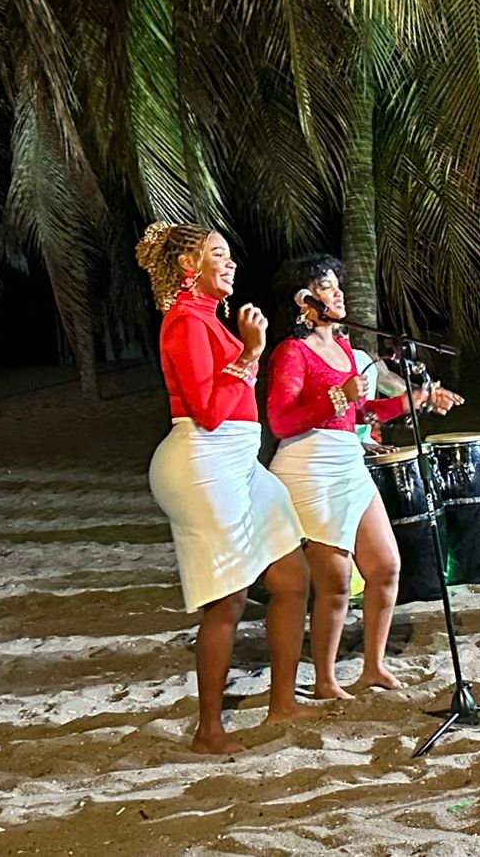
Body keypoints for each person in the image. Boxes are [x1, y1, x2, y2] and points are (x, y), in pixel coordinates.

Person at [135, 221, 318, 754]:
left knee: (291, 577)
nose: (232, 262)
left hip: (239, 463)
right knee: (228, 599)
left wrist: (248, 350)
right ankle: (208, 730)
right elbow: (209, 412)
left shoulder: (209, 318)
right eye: (219, 253)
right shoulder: (184, 321)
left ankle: (282, 702)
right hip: (202, 463)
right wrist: (252, 352)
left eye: (230, 253)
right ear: (188, 266)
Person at [266, 254, 464, 700]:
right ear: (303, 300)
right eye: (326, 286)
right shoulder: (291, 352)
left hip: (348, 462)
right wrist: (337, 396)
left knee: (386, 566)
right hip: (309, 469)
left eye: (338, 285)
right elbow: (280, 421)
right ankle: (325, 680)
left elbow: (360, 414)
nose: (338, 293)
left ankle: (373, 666)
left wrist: (414, 400)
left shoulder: (344, 348)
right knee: (335, 583)